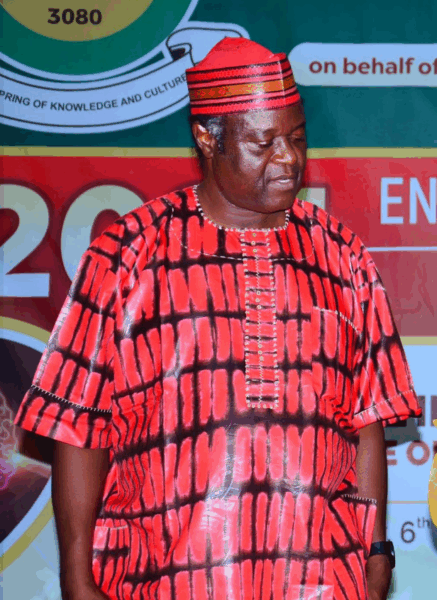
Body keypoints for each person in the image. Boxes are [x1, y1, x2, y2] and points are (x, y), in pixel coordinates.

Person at [15, 37, 421, 600]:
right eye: (264, 142)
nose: (289, 159)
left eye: (297, 138)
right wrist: (77, 580)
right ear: (208, 139)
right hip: (167, 577)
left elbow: (366, 418)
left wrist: (376, 553)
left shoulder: (341, 253)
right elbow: (79, 426)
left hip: (321, 578)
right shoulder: (129, 254)